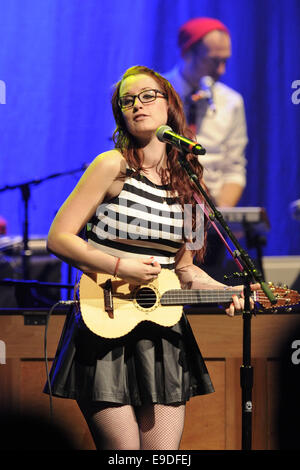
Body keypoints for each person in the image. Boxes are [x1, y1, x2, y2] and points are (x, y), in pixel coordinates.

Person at [44, 65, 256, 450]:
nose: (136, 105)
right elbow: (58, 238)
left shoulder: (191, 181)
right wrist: (120, 266)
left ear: (169, 105)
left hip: (163, 335)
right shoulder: (112, 165)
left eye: (146, 96)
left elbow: (186, 270)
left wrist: (231, 291)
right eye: (127, 101)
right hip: (103, 324)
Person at [164, 18, 248, 281]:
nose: (221, 69)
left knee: (214, 288)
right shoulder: (155, 95)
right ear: (188, 53)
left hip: (209, 220)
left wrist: (217, 217)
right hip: (164, 215)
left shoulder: (231, 102)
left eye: (226, 60)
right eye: (213, 60)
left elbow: (235, 167)